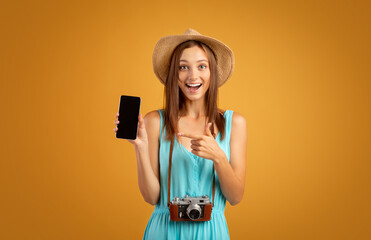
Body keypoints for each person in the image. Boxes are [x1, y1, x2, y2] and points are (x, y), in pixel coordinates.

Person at [114, 28, 247, 240]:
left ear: (212, 72)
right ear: (174, 75)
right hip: (164, 231)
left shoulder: (234, 123)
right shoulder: (154, 121)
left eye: (201, 66)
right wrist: (140, 147)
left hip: (211, 232)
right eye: (183, 67)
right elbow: (151, 197)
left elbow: (236, 196)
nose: (193, 76)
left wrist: (218, 156)